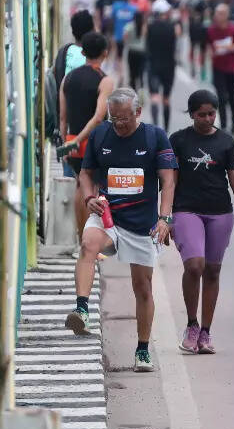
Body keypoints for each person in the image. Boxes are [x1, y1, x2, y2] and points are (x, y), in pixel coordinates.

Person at [65, 88, 177, 373]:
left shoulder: (155, 137)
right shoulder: (100, 135)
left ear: (137, 113)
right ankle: (81, 309)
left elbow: (168, 180)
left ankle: (142, 350)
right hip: (108, 216)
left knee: (142, 287)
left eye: (125, 119)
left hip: (142, 224)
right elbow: (86, 173)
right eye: (114, 119)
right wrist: (89, 197)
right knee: (88, 244)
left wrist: (164, 218)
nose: (119, 125)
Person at [170, 90, 234, 355]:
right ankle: (191, 325)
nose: (207, 119)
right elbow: (169, 180)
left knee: (213, 271)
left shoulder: (225, 142)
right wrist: (165, 216)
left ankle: (205, 331)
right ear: (192, 114)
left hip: (219, 212)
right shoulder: (179, 140)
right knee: (195, 265)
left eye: (211, 114)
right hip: (186, 210)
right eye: (201, 114)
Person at [59, 33, 116, 243]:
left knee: (79, 185)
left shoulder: (67, 78)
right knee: (94, 189)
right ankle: (91, 239)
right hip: (95, 141)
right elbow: (99, 117)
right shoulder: (105, 80)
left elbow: (63, 117)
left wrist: (68, 142)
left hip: (72, 140)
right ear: (105, 53)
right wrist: (80, 140)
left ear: (83, 52)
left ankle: (81, 236)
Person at [206, 4, 234, 130]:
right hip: (217, 67)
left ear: (227, 15)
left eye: (222, 13)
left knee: (231, 95)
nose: (218, 16)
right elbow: (208, 45)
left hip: (232, 67)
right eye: (217, 13)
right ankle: (223, 125)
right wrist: (210, 53)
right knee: (221, 97)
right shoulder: (211, 30)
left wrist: (231, 47)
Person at [145, 0, 181, 129]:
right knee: (166, 98)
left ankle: (155, 126)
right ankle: (165, 129)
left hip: (153, 64)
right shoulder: (173, 27)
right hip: (169, 65)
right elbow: (178, 35)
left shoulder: (149, 26)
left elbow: (145, 40)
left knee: (154, 97)